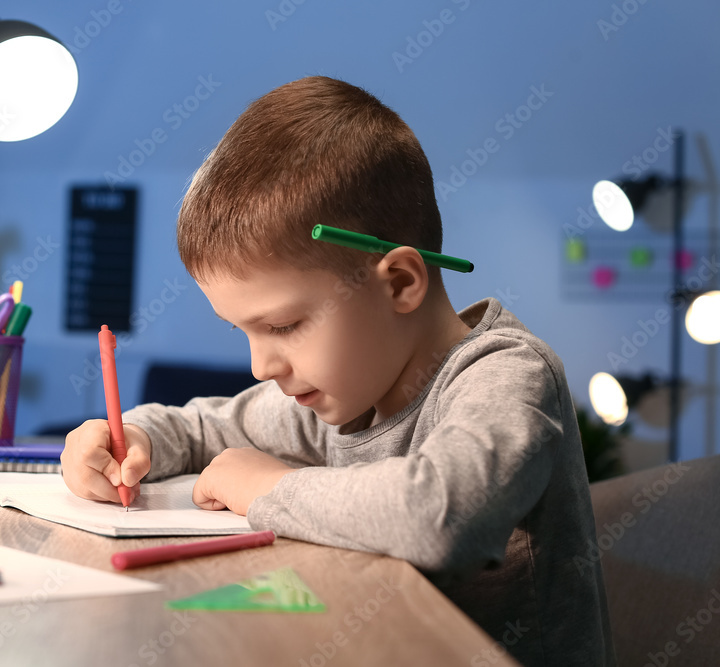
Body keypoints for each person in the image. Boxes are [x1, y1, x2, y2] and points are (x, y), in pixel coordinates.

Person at [62, 76, 615, 666]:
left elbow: (441, 516)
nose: (260, 365)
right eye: (242, 331)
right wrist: (131, 439)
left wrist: (267, 487)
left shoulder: (505, 374)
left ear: (400, 282)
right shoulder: (342, 397)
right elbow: (201, 429)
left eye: (282, 327)